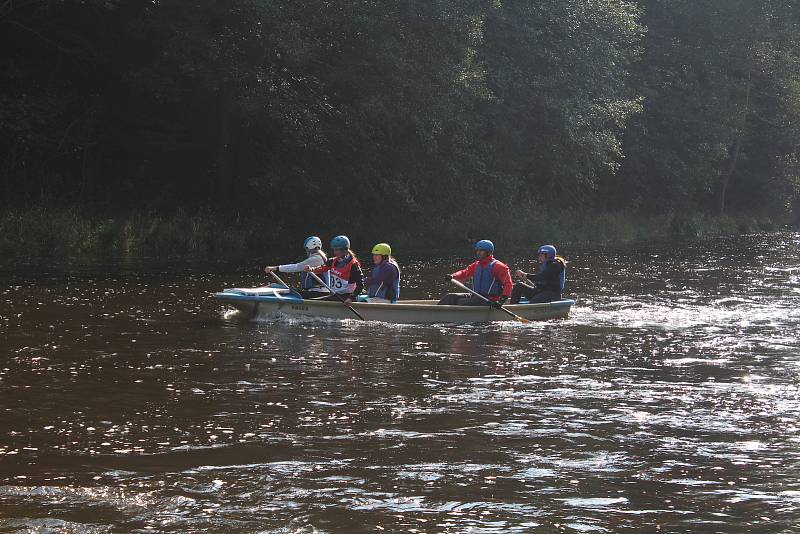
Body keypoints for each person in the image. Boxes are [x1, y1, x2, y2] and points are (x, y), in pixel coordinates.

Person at [438, 239, 513, 306]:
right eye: (477, 250)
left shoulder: (499, 266)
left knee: (461, 302)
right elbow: (464, 273)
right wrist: (452, 276)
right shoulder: (476, 265)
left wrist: (501, 301)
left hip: (490, 299)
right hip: (476, 296)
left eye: (481, 250)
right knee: (450, 297)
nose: (478, 253)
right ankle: (437, 312)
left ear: (489, 252)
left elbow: (508, 285)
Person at [264, 236, 330, 299]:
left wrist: (275, 268)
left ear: (308, 248)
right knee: (289, 290)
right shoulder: (321, 258)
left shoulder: (315, 259)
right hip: (317, 291)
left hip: (317, 293)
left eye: (306, 249)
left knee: (287, 293)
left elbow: (295, 267)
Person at [308, 235, 364, 303]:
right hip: (336, 294)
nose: (335, 252)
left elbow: (360, 285)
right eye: (334, 250)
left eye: (337, 250)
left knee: (315, 301)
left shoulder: (354, 265)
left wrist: (351, 298)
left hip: (346, 296)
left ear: (345, 250)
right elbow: (322, 268)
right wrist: (312, 269)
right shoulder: (333, 261)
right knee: (312, 298)